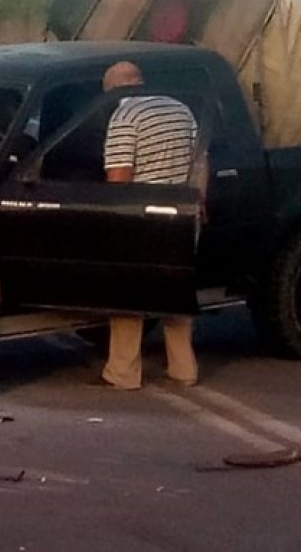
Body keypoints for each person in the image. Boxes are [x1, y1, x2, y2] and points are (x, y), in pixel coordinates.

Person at [97, 60, 201, 390]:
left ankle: (123, 373)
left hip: (143, 216)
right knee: (175, 290)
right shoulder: (181, 109)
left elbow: (119, 177)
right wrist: (199, 204)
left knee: (129, 294)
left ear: (115, 89)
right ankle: (184, 369)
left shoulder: (125, 116)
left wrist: (115, 218)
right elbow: (201, 160)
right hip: (182, 212)